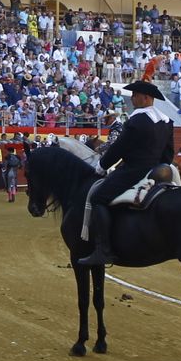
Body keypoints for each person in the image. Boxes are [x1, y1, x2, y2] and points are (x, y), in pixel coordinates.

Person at [76, 72, 174, 269]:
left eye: (136, 95)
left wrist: (101, 166)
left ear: (146, 98)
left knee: (97, 197)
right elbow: (168, 154)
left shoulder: (136, 120)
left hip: (133, 171)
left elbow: (119, 149)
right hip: (157, 171)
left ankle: (103, 250)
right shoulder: (166, 121)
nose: (133, 98)